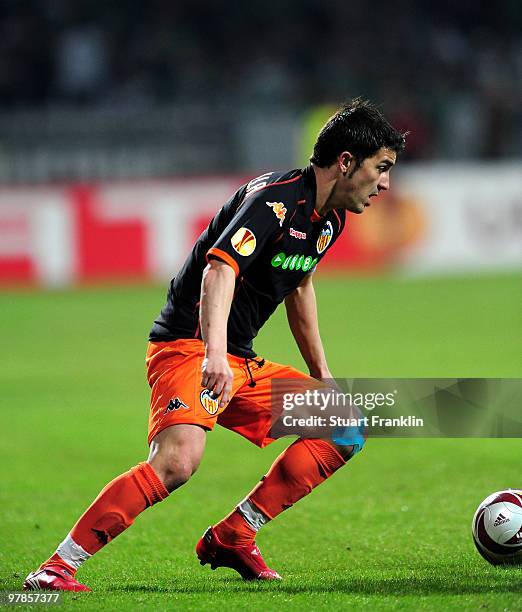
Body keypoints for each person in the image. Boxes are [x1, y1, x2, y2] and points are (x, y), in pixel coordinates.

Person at [23, 98, 406, 591]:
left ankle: (235, 534)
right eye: (382, 167)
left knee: (343, 425)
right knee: (179, 460)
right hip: (188, 346)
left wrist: (323, 373)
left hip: (236, 357)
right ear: (347, 161)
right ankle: (56, 568)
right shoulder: (275, 201)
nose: (386, 184)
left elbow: (300, 285)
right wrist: (213, 355)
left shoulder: (328, 220)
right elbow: (219, 269)